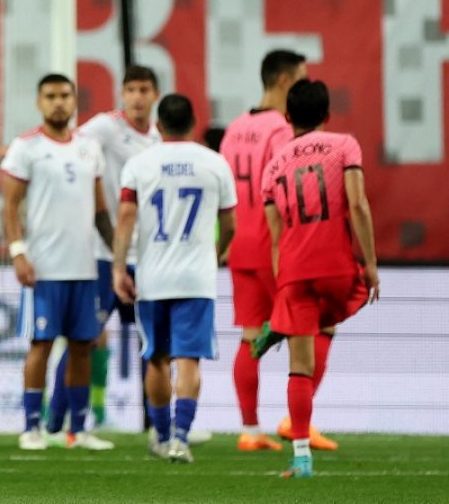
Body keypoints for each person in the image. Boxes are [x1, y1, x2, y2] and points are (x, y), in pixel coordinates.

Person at [260, 79, 379, 478]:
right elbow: (358, 204)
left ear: (288, 117)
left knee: (299, 366)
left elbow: (276, 239)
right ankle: (302, 325)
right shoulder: (344, 145)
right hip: (337, 268)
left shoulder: (273, 165)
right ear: (327, 116)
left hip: (294, 271)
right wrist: (371, 263)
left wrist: (281, 291)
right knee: (335, 315)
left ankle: (301, 457)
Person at [219, 50, 336, 452]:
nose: (305, 85)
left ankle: (250, 430)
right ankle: (295, 421)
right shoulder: (282, 131)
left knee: (250, 334)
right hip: (276, 245)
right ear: (285, 81)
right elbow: (291, 186)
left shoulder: (235, 128)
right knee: (319, 326)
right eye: (301, 79)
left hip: (239, 244)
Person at [113, 94, 237, 463]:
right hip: (196, 278)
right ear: (193, 122)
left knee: (156, 358)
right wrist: (215, 253)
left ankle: (161, 436)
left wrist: (119, 268)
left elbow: (125, 220)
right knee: (188, 360)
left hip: (153, 277)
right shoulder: (215, 163)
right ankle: (182, 439)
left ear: (159, 124)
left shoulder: (139, 164)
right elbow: (230, 223)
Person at [1, 73, 115, 451]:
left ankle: (77, 430)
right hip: (44, 268)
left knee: (83, 346)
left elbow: (100, 212)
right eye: (50, 96)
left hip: (84, 266)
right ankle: (31, 427)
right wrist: (19, 252)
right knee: (42, 344)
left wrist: (116, 257)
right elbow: (10, 207)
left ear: (73, 100)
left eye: (65, 95)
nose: (58, 102)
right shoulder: (26, 147)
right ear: (39, 102)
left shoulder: (89, 148)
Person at [45, 65, 161, 435]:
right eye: (131, 90)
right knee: (85, 337)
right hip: (103, 252)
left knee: (153, 340)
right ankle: (53, 423)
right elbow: (60, 139)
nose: (138, 97)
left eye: (144, 89)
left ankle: (159, 426)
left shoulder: (160, 139)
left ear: (155, 95)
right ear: (122, 95)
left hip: (145, 255)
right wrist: (16, 149)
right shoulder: (107, 127)